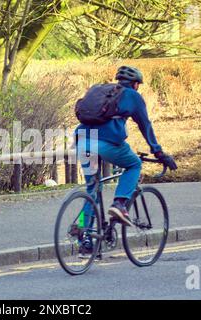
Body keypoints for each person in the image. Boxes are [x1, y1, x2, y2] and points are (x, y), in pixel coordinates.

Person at [75, 65, 177, 256]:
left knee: (92, 190)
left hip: (82, 140)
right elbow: (145, 125)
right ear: (136, 84)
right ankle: (120, 204)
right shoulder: (132, 96)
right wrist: (159, 153)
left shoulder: (101, 90)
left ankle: (84, 234)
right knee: (133, 164)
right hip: (105, 143)